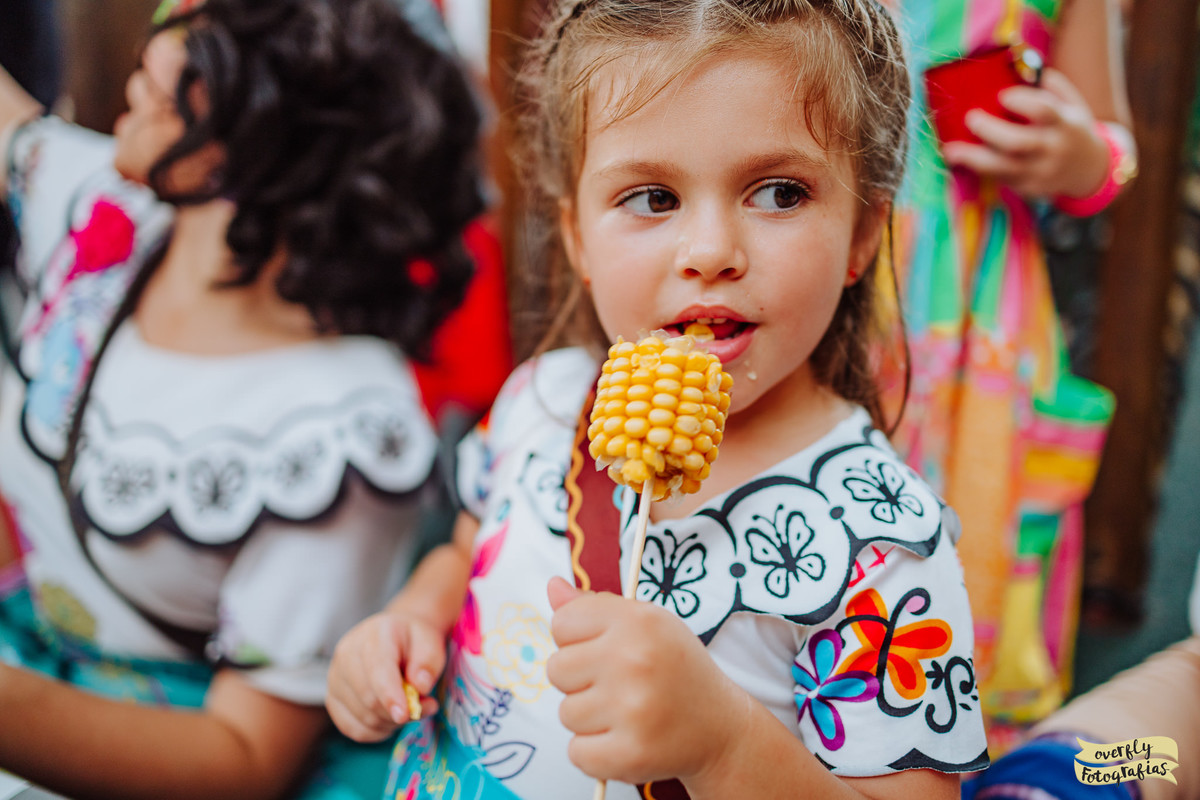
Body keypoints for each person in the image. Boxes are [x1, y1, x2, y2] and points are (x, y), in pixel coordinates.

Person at [326, 1, 989, 797]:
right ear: (576, 237)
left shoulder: (879, 542)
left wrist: (723, 745)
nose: (710, 252)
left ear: (860, 236)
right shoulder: (544, 399)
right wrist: (410, 620)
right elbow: (470, 548)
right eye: (651, 197)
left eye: (779, 193)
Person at [0, 0, 485, 797]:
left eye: (216, 39)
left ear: (280, 139)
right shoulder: (106, 212)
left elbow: (244, 758)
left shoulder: (338, 435)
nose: (161, 44)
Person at [885, 0, 1136, 734]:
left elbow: (1113, 152)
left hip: (976, 313)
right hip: (809, 264)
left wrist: (1083, 157)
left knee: (970, 561)